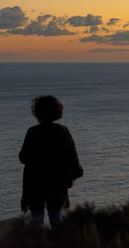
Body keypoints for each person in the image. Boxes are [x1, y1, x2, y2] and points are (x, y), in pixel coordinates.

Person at [19, 95, 83, 227]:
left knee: (36, 220)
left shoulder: (32, 132)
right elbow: (73, 158)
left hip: (34, 183)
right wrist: (71, 177)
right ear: (57, 111)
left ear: (37, 112)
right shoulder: (63, 131)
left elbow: (23, 157)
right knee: (56, 218)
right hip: (56, 184)